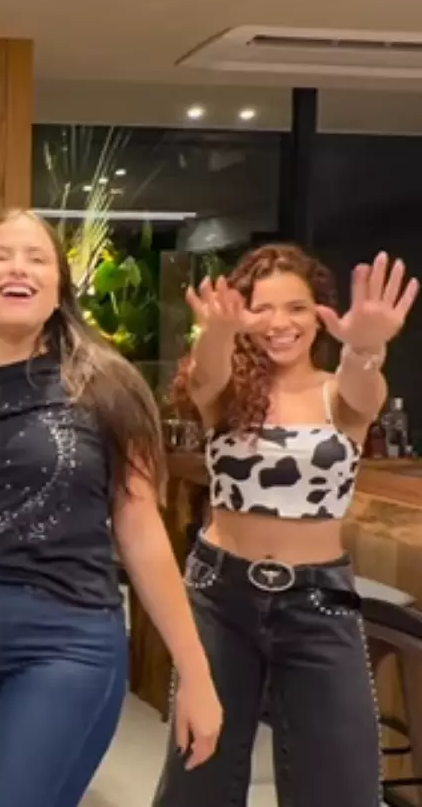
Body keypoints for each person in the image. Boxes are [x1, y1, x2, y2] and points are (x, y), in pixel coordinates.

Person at [0, 207, 221, 807]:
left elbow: (141, 532)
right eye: (0, 255)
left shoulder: (106, 387)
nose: (17, 267)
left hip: (65, 641)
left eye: (36, 258)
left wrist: (195, 673)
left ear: (59, 292)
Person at [155, 244, 417, 807]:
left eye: (296, 308)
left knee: (339, 781)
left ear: (320, 315)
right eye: (263, 308)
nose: (280, 323)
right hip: (219, 594)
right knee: (199, 770)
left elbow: (364, 387)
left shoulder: (338, 392)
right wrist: (219, 332)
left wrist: (365, 348)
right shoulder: (227, 392)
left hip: (318, 600)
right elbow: (207, 372)